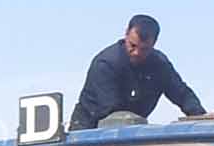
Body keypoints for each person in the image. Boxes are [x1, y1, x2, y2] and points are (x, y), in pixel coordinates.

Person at [71, 14, 205, 130]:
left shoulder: (160, 65)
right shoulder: (106, 64)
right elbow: (111, 111)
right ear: (126, 34)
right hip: (89, 130)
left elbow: (182, 94)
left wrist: (201, 118)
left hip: (133, 129)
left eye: (144, 49)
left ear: (154, 44)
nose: (136, 53)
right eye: (132, 46)